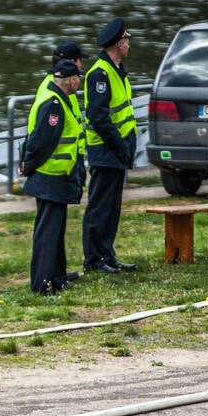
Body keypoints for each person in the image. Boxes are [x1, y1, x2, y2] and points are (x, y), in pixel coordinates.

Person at [22, 60, 85, 295]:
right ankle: (42, 283)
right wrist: (28, 166)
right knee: (47, 233)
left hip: (58, 176)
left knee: (55, 232)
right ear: (70, 80)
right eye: (78, 77)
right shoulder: (55, 104)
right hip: (51, 176)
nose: (79, 81)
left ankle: (57, 277)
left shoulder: (59, 98)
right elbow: (41, 142)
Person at [83, 18, 138, 274]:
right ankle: (94, 259)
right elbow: (99, 116)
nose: (129, 44)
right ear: (119, 43)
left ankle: (108, 254)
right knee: (100, 206)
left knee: (112, 207)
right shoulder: (100, 74)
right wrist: (119, 145)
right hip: (105, 149)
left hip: (118, 148)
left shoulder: (117, 70)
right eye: (126, 39)